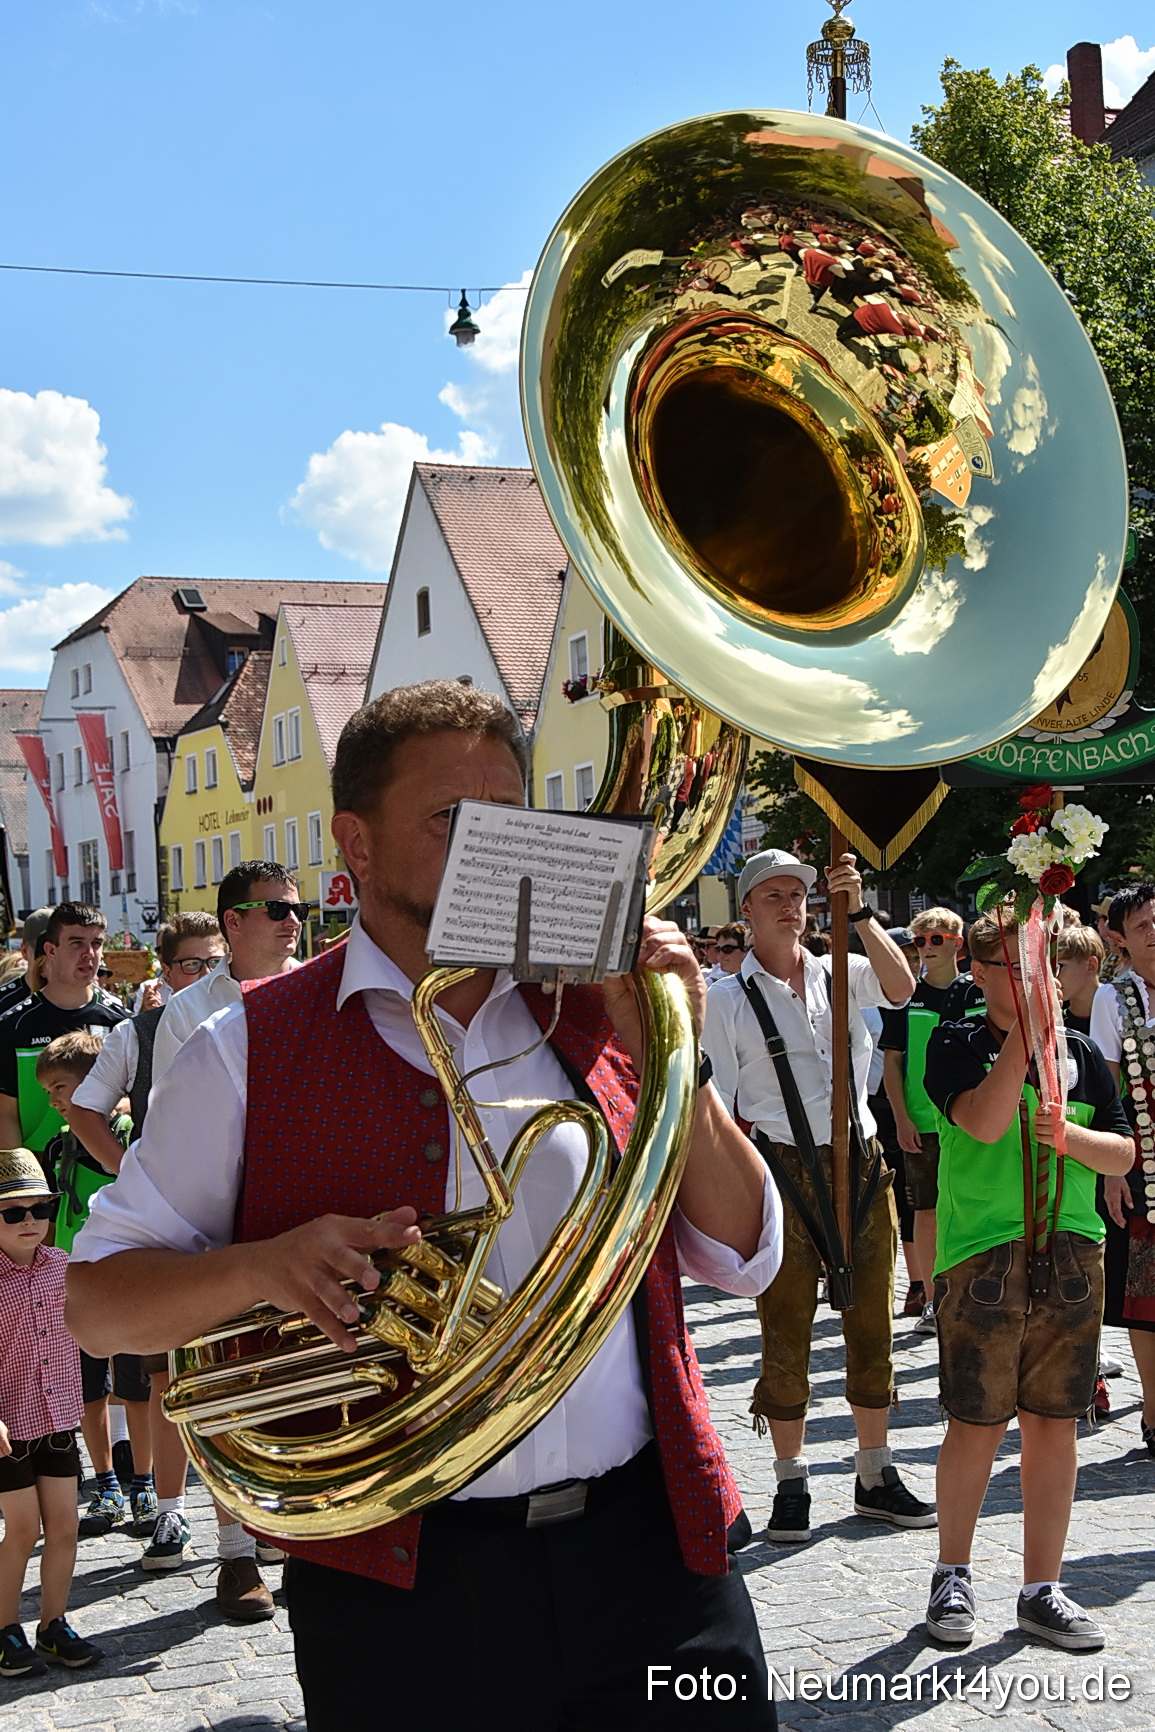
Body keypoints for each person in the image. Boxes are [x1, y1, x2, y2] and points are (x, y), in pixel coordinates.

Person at [67, 680, 782, 1731]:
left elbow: (745, 1249)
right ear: (353, 841)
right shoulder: (244, 1048)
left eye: (509, 815)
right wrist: (262, 1268)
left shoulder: (592, 1001)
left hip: (654, 1559)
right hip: (402, 1593)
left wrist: (664, 1034)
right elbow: (95, 1303)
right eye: (453, 819)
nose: (492, 845)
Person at [703, 847, 934, 1544]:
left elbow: (902, 991)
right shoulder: (724, 999)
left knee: (871, 1324)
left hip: (861, 1162)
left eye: (798, 893)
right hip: (779, 1167)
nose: (789, 904)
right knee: (785, 1328)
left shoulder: (843, 972)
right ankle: (790, 1482)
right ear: (745, 909)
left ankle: (873, 1473)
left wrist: (859, 911)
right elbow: (714, 1103)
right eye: (772, 894)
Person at [922, 914, 1132, 1651]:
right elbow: (979, 1122)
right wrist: (1028, 1036)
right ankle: (951, 1572)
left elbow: (1122, 1153)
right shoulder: (954, 1041)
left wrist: (1070, 1137)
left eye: (1038, 964)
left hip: (1071, 1254)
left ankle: (1041, 1588)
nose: (1032, 979)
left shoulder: (1081, 1052)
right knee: (975, 1424)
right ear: (977, 973)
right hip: (982, 1257)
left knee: (1054, 1425)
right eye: (1013, 966)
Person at [68, 911, 228, 1569]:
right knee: (167, 1382)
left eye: (214, 961)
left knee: (235, 1373)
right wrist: (127, 1169)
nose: (207, 975)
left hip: (238, 1213)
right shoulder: (138, 1032)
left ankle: (246, 1533)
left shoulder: (262, 1007)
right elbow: (82, 1106)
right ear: (166, 968)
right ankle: (170, 1515)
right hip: (169, 1225)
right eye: (193, 964)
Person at [34, 1034, 151, 1539]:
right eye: (49, 1091)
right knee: (88, 1387)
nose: (54, 1099)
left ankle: (143, 1482)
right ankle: (105, 1482)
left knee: (136, 1385)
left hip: (127, 1280)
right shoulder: (60, 1144)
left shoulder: (124, 1133)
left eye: (60, 1086)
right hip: (74, 1283)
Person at [0, 1147, 101, 1677]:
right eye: (13, 1212)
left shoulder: (63, 1267)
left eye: (40, 1209)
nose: (30, 1222)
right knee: (23, 1529)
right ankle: (3, 1629)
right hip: (6, 1427)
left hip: (57, 1420)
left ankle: (53, 1625)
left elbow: (94, 1319)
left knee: (64, 1526)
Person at [1090, 885, 1155, 1453]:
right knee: (1144, 1289)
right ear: (1122, 940)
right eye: (1142, 926)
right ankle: (1154, 1411)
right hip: (1145, 1158)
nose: (1154, 933)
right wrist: (1113, 1166)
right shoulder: (1114, 999)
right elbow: (1110, 1089)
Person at [881, 907, 965, 1337]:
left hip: (967, 1120)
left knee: (967, 1208)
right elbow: (891, 1063)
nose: (928, 947)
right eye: (920, 941)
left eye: (937, 939)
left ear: (958, 944)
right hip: (921, 1122)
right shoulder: (905, 997)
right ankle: (932, 1300)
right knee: (926, 1211)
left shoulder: (975, 991)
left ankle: (968, 1296)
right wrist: (899, 1118)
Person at [0, 906, 129, 1159]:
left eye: (96, 943)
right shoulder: (12, 1025)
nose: (89, 954)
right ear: (51, 950)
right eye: (76, 943)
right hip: (38, 1173)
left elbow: (136, 1099)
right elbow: (5, 1115)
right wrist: (17, 1188)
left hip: (104, 1172)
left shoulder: (121, 1022)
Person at [0, 911, 52, 1020]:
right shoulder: (4, 999)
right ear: (24, 951)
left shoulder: (89, 995)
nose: (50, 957)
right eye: (42, 951)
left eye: (56, 949)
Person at [1056, 925, 1104, 1037]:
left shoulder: (1122, 1010)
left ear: (1091, 965)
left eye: (1060, 966)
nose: (1053, 976)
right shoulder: (1056, 1022)